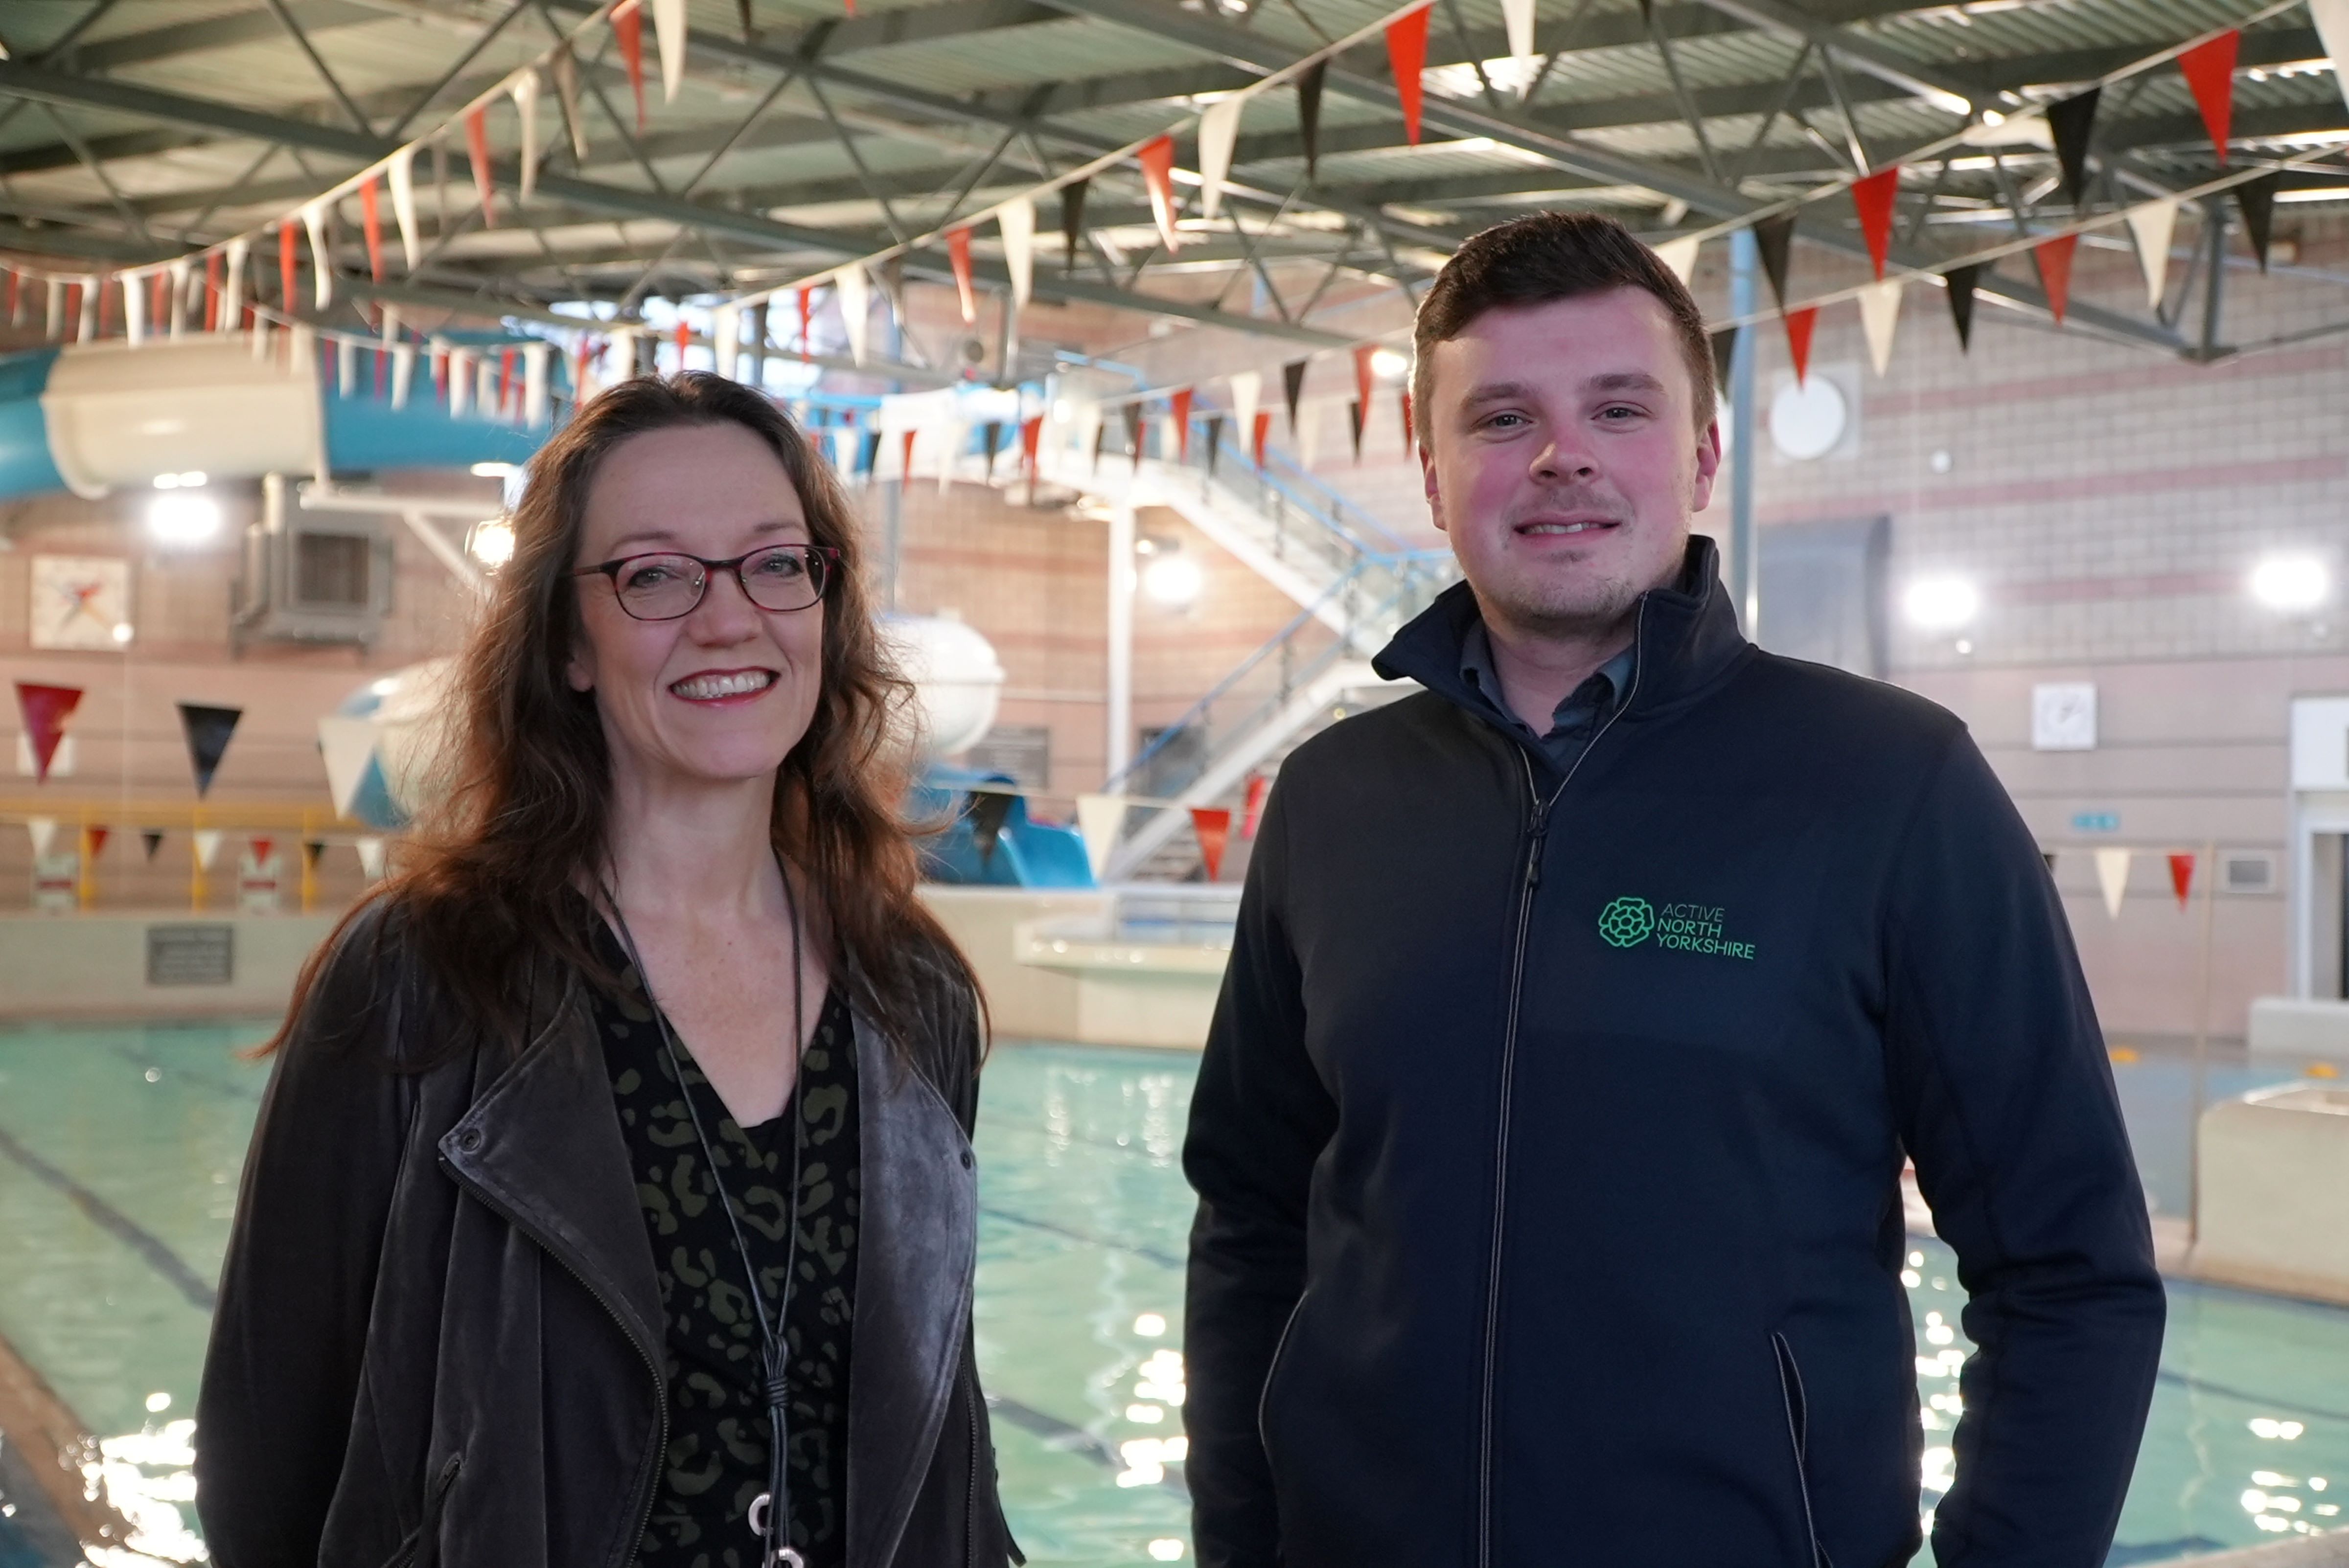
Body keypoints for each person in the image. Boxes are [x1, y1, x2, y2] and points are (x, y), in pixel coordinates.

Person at [1181, 212, 2164, 1568]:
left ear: (1702, 454)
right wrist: (1242, 1542)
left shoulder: (1886, 781)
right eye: (1501, 416)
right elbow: (1250, 1217)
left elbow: (2070, 1267)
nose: (1560, 453)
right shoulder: (1333, 798)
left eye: (1618, 407)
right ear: (1431, 470)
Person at [196, 372, 1019, 1568]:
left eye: (775, 563)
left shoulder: (912, 989)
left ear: (825, 603)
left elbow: (940, 1436)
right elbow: (268, 1444)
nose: (730, 617)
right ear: (570, 644)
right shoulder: (424, 978)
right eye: (654, 573)